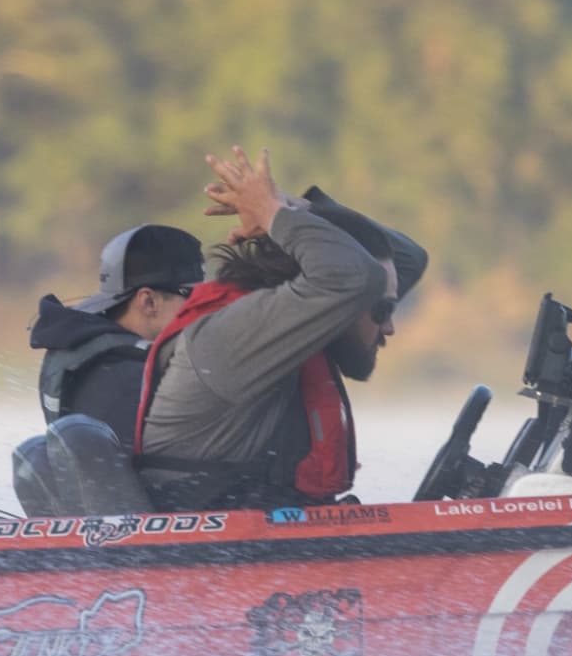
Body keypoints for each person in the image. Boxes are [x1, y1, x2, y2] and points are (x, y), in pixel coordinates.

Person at [133, 146, 428, 511]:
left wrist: (288, 208)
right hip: (208, 558)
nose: (389, 328)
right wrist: (272, 214)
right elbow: (357, 276)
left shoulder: (295, 322)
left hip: (269, 551)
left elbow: (408, 257)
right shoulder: (232, 338)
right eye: (382, 310)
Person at [28, 223, 204, 446]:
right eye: (194, 296)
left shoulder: (76, 349)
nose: (204, 307)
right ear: (148, 301)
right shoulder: (128, 381)